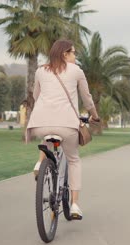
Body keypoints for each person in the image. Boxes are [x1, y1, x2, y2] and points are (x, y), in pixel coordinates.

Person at [26, 39, 100, 219]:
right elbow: (87, 98)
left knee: (47, 135)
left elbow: (36, 95)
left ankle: (39, 163)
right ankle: (74, 204)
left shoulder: (40, 71)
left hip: (40, 123)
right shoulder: (76, 71)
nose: (75, 56)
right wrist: (95, 115)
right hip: (66, 125)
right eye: (73, 52)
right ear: (64, 54)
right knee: (74, 160)